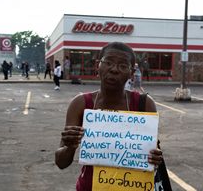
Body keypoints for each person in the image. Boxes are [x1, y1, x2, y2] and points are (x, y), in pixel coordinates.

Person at [55, 42, 168, 191]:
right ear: (97, 66)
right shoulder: (81, 104)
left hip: (133, 186)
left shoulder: (144, 104)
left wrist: (155, 157)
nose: (114, 69)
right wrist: (70, 147)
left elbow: (151, 156)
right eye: (108, 62)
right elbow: (61, 162)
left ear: (131, 73)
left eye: (122, 65)